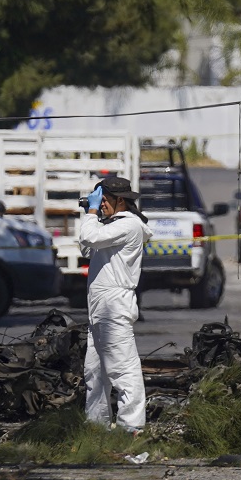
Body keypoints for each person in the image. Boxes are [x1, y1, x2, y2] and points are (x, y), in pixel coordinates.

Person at [79, 176, 153, 433]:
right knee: (95, 373)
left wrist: (90, 213)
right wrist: (92, 216)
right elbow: (86, 249)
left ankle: (131, 427)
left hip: (114, 305)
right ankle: (96, 426)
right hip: (99, 305)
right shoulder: (110, 225)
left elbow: (90, 238)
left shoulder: (129, 225)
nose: (101, 205)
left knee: (122, 369)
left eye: (104, 200)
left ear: (121, 200)